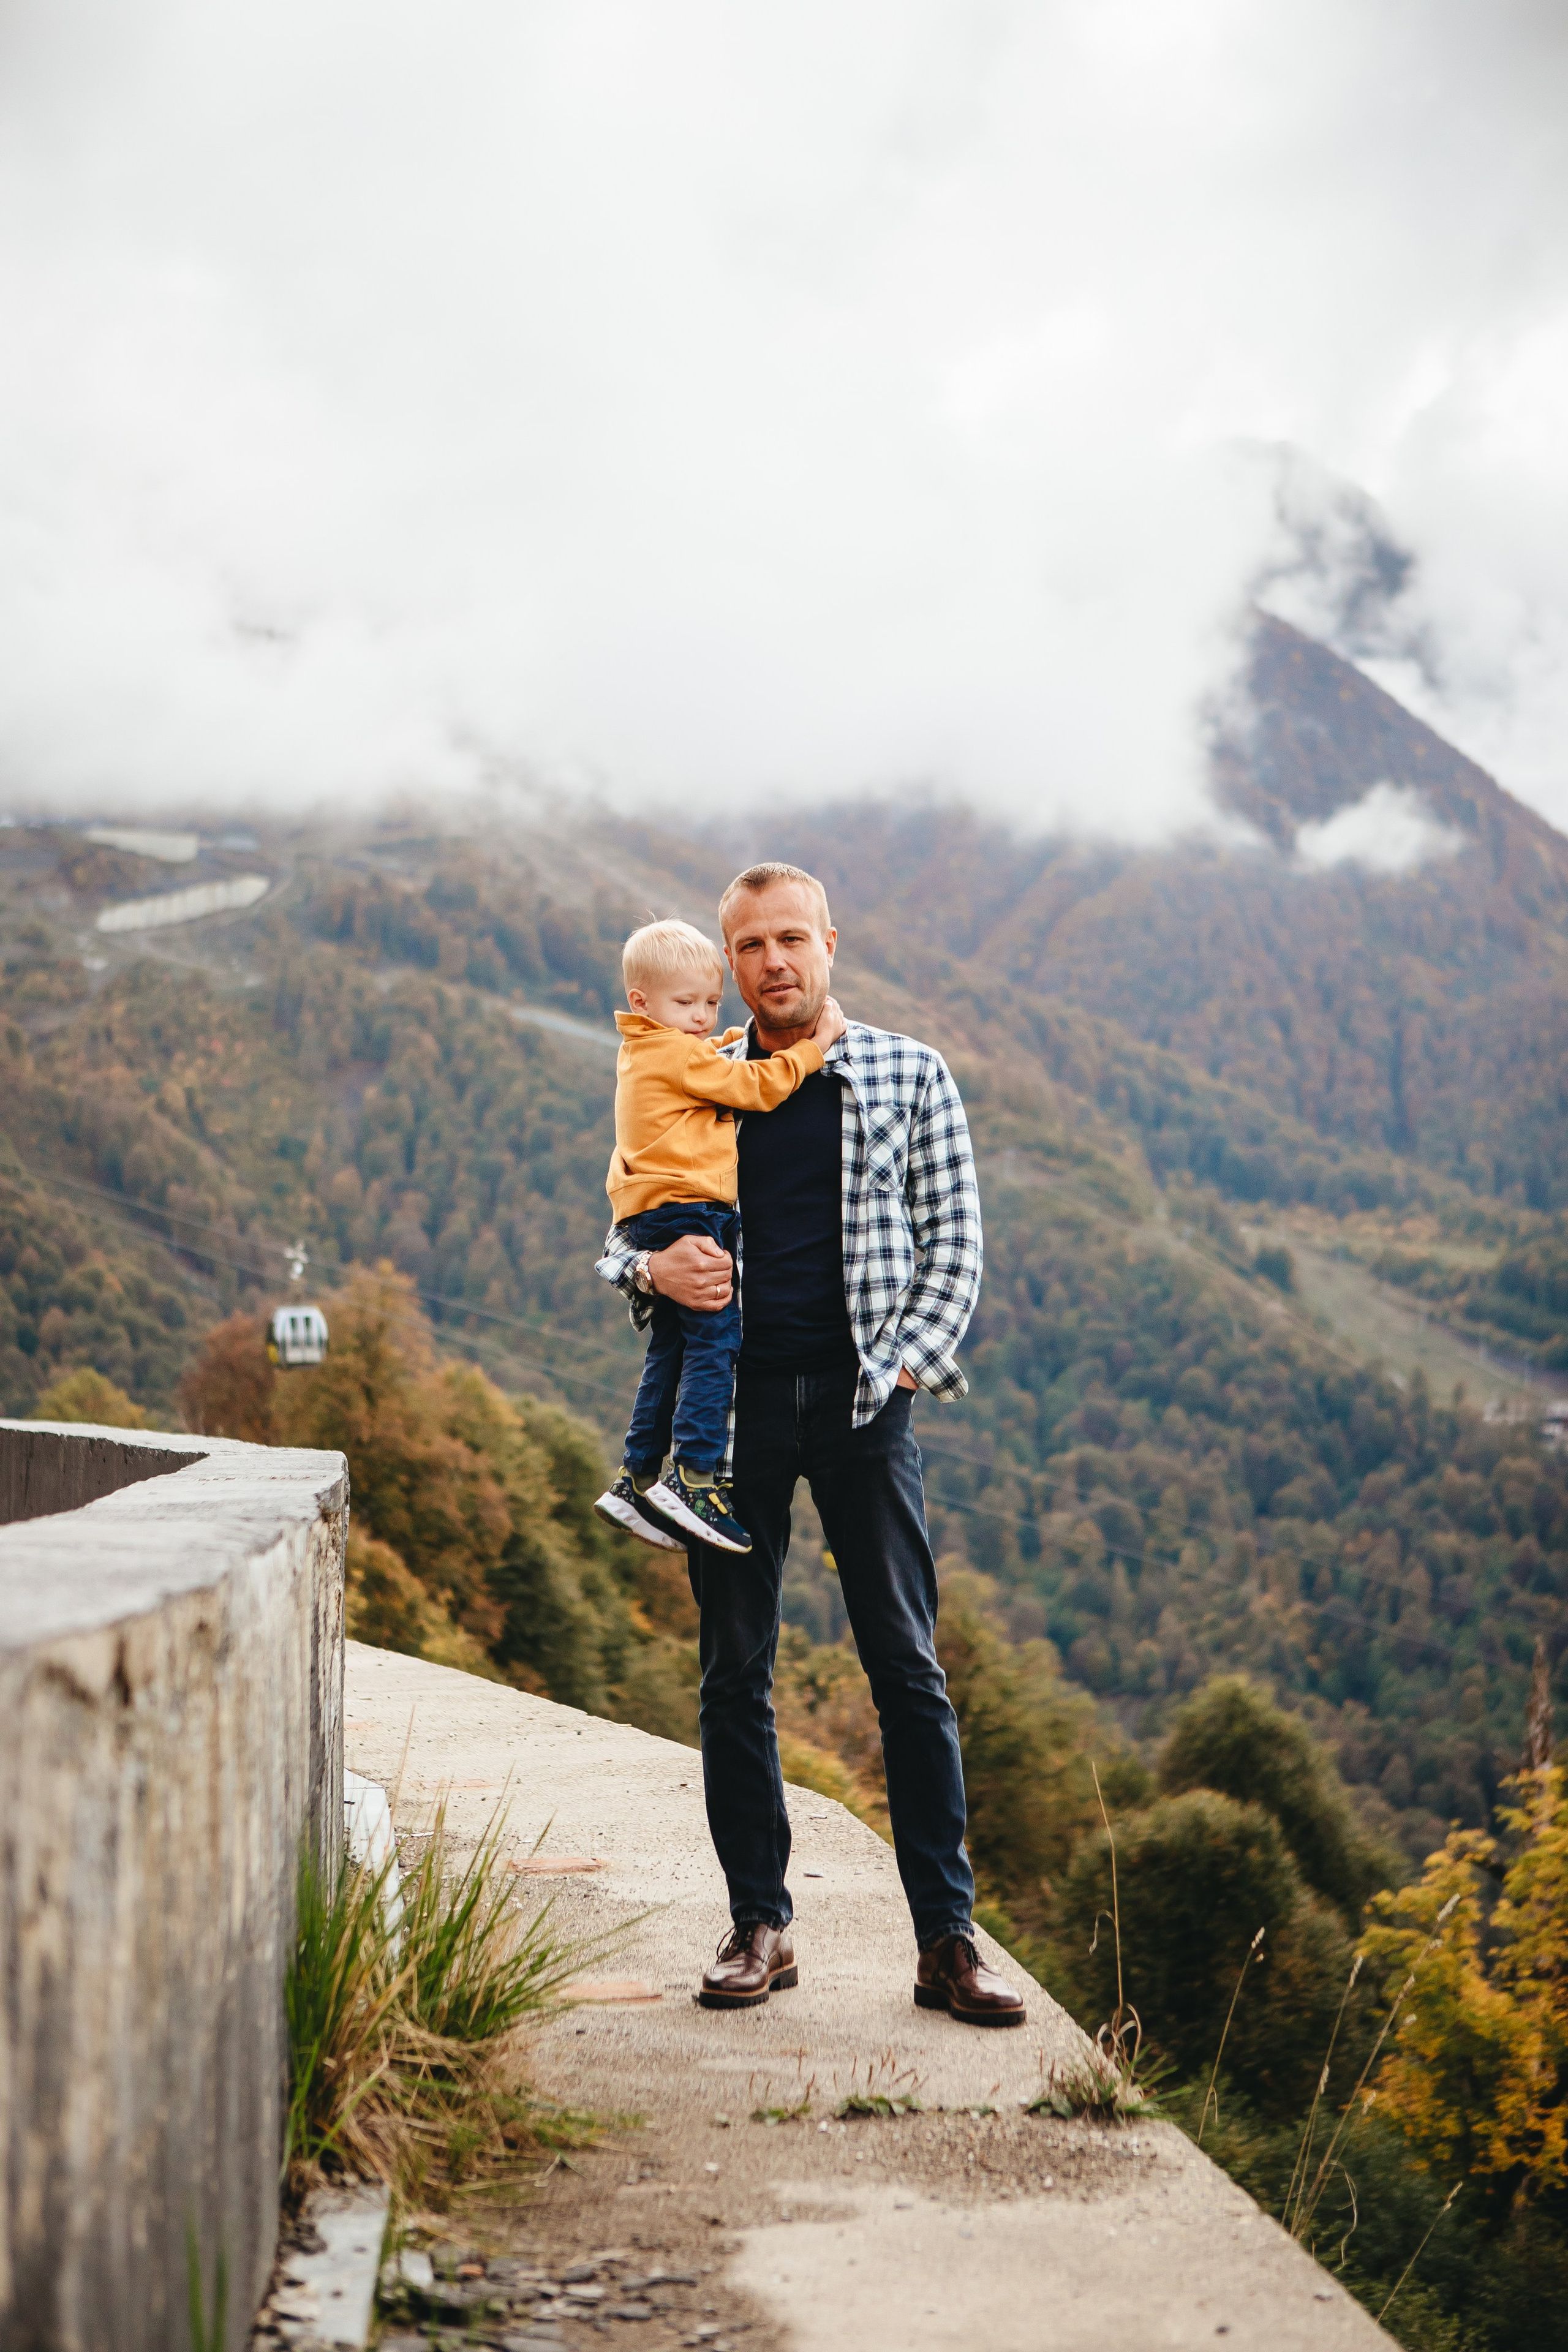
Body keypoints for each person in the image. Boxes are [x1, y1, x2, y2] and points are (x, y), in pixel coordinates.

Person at [597, 864, 1023, 2029]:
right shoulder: (702, 1069)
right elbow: (629, 1215)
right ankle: (759, 1927)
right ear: (728, 965)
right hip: (731, 1424)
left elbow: (958, 1239)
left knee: (909, 1670)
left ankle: (947, 1943)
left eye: (793, 939)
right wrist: (648, 1267)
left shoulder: (908, 1072)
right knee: (735, 1673)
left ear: (829, 942)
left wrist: (897, 1367)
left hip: (863, 1414)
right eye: (751, 947)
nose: (774, 962)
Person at [593, 916, 845, 1554]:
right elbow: (751, 1089)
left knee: (671, 1349)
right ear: (641, 1002)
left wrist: (727, 1036)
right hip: (689, 1213)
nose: (703, 1018)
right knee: (715, 1339)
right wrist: (814, 1049)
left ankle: (637, 1475)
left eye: (710, 1003)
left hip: (653, 1215)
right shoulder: (677, 1054)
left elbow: (703, 1059)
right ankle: (695, 1477)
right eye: (686, 1004)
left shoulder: (647, 1048)